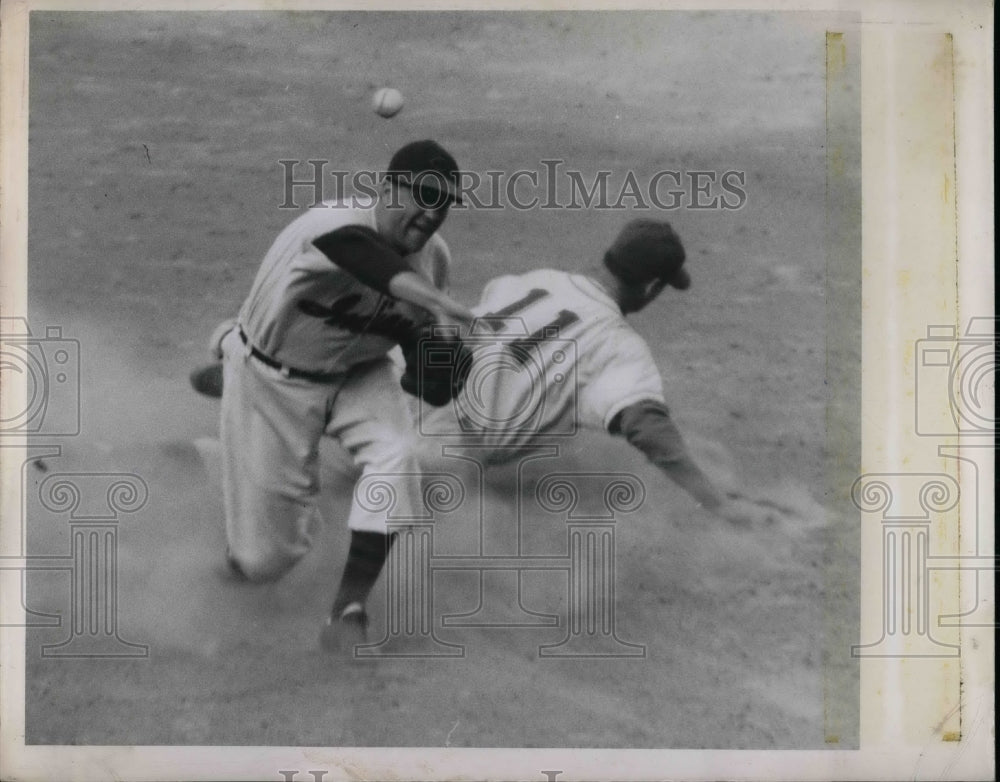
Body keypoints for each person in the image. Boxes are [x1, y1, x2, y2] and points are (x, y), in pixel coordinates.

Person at [201, 139, 475, 653]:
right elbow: (365, 258)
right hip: (277, 382)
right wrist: (437, 302)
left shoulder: (434, 259)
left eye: (444, 203)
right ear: (386, 187)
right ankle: (230, 351)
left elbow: (413, 343)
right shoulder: (332, 225)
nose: (431, 212)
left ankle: (346, 613)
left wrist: (435, 365)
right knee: (265, 563)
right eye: (422, 195)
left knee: (398, 454)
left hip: (358, 373)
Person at [414, 218, 767, 526]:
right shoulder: (617, 345)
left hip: (385, 391)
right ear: (652, 288)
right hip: (436, 455)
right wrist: (716, 503)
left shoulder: (536, 278)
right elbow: (647, 427)